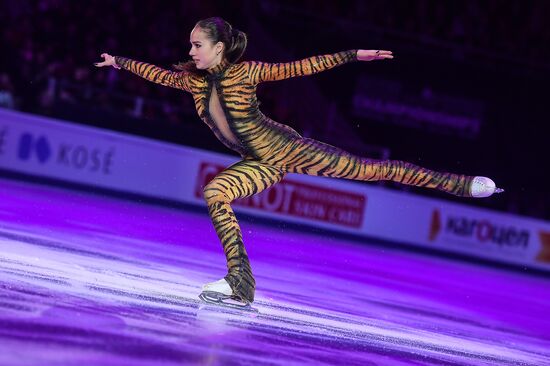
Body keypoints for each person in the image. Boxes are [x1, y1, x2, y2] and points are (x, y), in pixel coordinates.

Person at [95, 17, 503, 309]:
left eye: (196, 45)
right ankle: (240, 283)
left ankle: (461, 184)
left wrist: (352, 55)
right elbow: (156, 74)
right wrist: (118, 62)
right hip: (257, 160)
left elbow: (301, 67)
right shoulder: (193, 80)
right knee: (216, 191)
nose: (190, 51)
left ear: (219, 48)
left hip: (287, 148)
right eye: (190, 45)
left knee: (370, 170)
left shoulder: (247, 71)